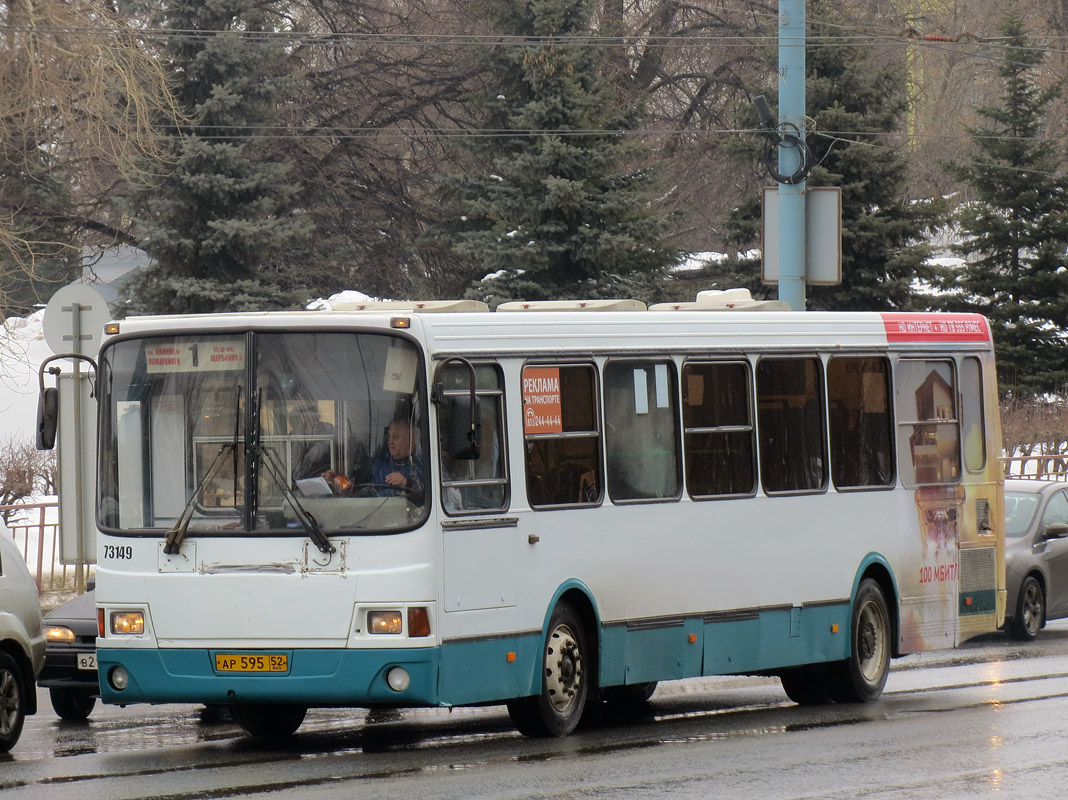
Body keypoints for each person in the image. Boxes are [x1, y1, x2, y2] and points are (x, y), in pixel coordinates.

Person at [372, 419, 425, 500]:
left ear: (411, 440)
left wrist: (405, 482)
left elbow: (426, 494)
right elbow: (366, 485)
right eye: (389, 437)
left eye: (395, 437)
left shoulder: (422, 464)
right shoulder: (379, 463)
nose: (390, 442)